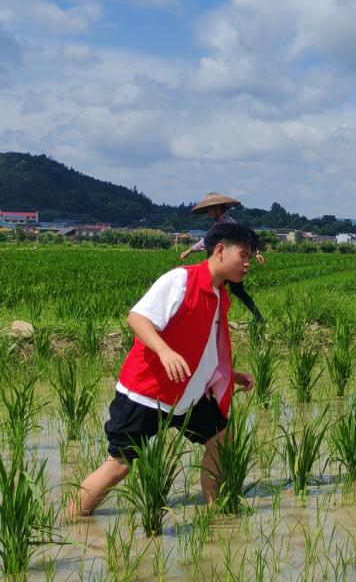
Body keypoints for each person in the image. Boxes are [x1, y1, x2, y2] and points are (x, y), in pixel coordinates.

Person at [67, 222, 261, 518]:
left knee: (221, 440)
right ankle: (71, 520)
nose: (247, 264)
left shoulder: (220, 294)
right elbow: (137, 317)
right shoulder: (181, 279)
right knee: (119, 465)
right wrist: (164, 350)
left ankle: (216, 513)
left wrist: (231, 375)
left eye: (250, 258)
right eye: (243, 255)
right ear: (221, 250)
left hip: (187, 395)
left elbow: (201, 345)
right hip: (147, 393)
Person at [181, 193, 266, 322]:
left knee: (212, 289)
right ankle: (257, 318)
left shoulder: (228, 223)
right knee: (233, 291)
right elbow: (207, 240)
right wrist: (191, 250)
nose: (209, 213)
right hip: (224, 264)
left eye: (210, 210)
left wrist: (256, 252)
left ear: (218, 208)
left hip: (225, 265)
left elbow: (244, 238)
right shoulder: (219, 224)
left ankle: (206, 319)